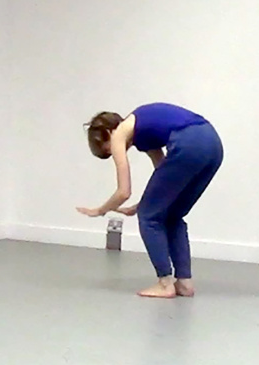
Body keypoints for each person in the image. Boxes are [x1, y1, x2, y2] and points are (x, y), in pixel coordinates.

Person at [77, 102, 223, 299]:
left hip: (189, 144)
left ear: (109, 133)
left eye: (109, 149)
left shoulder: (120, 133)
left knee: (148, 218)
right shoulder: (142, 130)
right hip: (212, 144)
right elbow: (163, 172)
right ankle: (185, 283)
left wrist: (100, 210)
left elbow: (123, 192)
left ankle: (165, 283)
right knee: (172, 215)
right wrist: (145, 204)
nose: (115, 152)